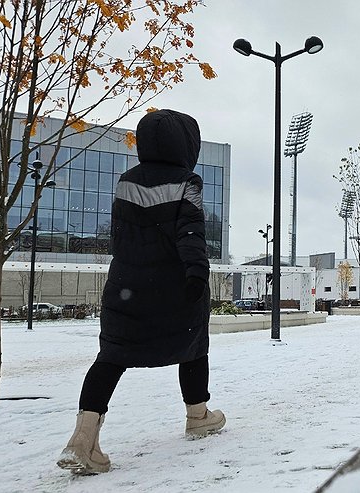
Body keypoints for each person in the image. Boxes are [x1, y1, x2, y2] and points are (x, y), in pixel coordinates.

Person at [57, 109, 225, 475]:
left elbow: (122, 237)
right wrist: (196, 273)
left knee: (112, 357)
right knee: (194, 344)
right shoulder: (187, 182)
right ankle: (198, 414)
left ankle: (83, 439)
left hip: (126, 287)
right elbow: (191, 232)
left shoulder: (125, 182)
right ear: (187, 144)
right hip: (173, 285)